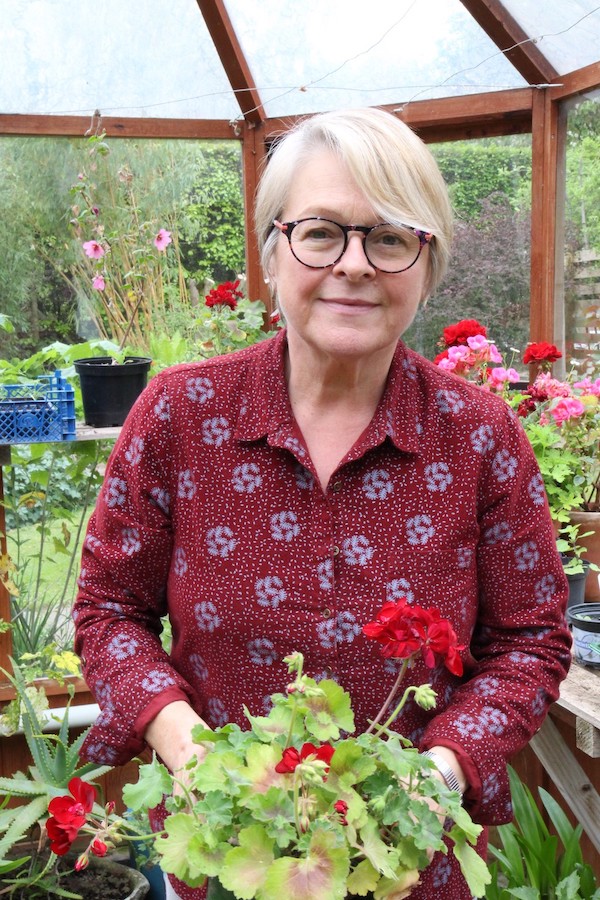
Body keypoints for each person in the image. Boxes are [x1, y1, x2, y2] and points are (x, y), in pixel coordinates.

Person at [73, 107, 572, 899]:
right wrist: (189, 748)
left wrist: (436, 774)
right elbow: (107, 611)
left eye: (389, 236)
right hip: (227, 857)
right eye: (320, 232)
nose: (355, 264)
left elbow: (530, 644)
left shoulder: (479, 435)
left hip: (407, 869)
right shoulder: (180, 414)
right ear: (273, 250)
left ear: (425, 261)